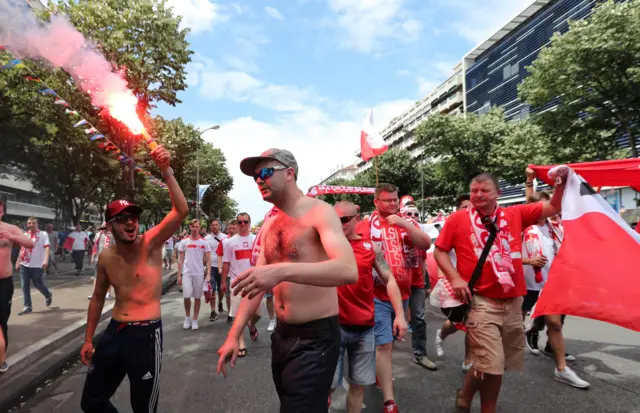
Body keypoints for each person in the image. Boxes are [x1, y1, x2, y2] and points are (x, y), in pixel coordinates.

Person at [217, 148, 357, 413]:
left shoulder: (319, 212)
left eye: (266, 172)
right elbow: (256, 285)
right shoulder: (271, 224)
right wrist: (233, 334)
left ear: (289, 173)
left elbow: (347, 269)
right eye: (255, 176)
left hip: (316, 339)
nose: (259, 180)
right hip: (283, 336)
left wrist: (281, 271)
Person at [434, 172, 567, 413]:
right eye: (474, 190)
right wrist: (454, 278)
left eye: (484, 190)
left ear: (498, 193)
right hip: (480, 302)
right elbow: (440, 251)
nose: (478, 195)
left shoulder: (515, 214)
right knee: (491, 364)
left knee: (497, 364)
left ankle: (476, 401)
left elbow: (554, 206)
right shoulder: (457, 219)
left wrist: (560, 183)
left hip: (513, 302)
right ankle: (473, 402)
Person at [79, 146, 188, 413]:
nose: (131, 223)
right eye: (123, 219)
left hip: (145, 335)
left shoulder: (149, 244)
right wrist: (89, 338)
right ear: (109, 225)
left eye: (134, 218)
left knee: (143, 407)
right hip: (114, 333)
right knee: (91, 401)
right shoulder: (106, 257)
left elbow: (181, 210)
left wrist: (166, 171)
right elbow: (96, 299)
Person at [355, 183, 432, 412]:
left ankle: (379, 374)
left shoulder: (404, 223)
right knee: (384, 344)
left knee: (388, 342)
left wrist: (405, 224)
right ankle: (390, 401)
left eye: (395, 199)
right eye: (387, 200)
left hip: (403, 294)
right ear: (376, 202)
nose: (393, 204)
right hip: (376, 295)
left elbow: (426, 244)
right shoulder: (365, 226)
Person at [331, 201, 407, 413]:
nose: (340, 224)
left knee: (358, 386)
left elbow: (389, 279)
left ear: (356, 218)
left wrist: (399, 315)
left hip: (364, 328)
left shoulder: (370, 248)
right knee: (325, 388)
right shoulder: (326, 246)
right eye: (335, 220)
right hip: (333, 327)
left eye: (345, 219)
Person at [522, 177, 589, 389]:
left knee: (555, 324)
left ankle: (561, 369)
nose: (543, 210)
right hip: (528, 284)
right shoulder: (523, 226)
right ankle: (525, 335)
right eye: (538, 206)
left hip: (551, 284)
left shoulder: (554, 228)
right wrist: (529, 261)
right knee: (517, 321)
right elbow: (507, 254)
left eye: (546, 206)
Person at [432, 194, 474, 371]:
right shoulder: (451, 228)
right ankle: (441, 334)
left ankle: (468, 360)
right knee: (456, 322)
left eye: (471, 207)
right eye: (464, 207)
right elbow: (439, 254)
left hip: (475, 283)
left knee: (472, 322)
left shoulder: (481, 229)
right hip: (454, 283)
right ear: (458, 210)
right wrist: (446, 281)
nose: (468, 210)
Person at [399, 203, 438, 372]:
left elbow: (423, 261)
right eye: (409, 213)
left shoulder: (420, 237)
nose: (413, 217)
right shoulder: (396, 234)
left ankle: (419, 354)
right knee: (393, 321)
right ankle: (381, 355)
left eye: (415, 214)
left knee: (419, 319)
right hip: (399, 284)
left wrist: (423, 283)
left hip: (415, 284)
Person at [0, 201, 36, 372]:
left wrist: (12, 237)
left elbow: (30, 243)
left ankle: (1, 357)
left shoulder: (10, 228)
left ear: (2, 211)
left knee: (2, 320)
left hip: (3, 282)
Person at [221, 212, 262, 357]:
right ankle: (241, 343)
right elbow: (226, 263)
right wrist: (223, 282)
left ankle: (251, 324)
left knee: (258, 313)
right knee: (239, 315)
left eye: (245, 221)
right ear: (237, 224)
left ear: (250, 223)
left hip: (254, 281)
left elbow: (262, 260)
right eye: (240, 222)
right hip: (237, 282)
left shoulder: (257, 240)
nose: (243, 224)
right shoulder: (229, 242)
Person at [177, 219, 211, 331]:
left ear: (200, 228)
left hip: (199, 273)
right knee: (186, 296)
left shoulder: (204, 242)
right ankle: (187, 317)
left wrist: (208, 274)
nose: (195, 229)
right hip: (187, 272)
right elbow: (180, 258)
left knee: (197, 297)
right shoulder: (184, 241)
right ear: (190, 227)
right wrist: (179, 274)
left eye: (197, 227)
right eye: (193, 227)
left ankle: (195, 319)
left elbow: (208, 259)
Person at [16, 217, 53, 316]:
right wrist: (18, 261)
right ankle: (27, 306)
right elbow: (22, 250)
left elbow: (47, 248)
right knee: (25, 285)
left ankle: (48, 294)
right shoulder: (25, 235)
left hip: (37, 265)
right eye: (29, 223)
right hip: (25, 264)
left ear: (37, 224)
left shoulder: (43, 234)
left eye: (33, 223)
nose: (31, 224)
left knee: (38, 284)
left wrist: (45, 260)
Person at [204, 219, 227, 320]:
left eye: (216, 225)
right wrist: (204, 264)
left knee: (222, 289)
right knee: (212, 289)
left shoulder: (225, 238)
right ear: (210, 227)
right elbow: (204, 252)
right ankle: (213, 311)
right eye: (212, 225)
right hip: (211, 267)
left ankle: (220, 302)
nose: (214, 226)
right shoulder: (206, 239)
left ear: (219, 226)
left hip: (222, 267)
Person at [217, 219, 238, 322]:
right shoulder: (224, 241)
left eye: (234, 228)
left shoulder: (241, 240)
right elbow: (220, 255)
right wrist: (220, 267)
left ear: (237, 228)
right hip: (228, 272)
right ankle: (230, 313)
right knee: (229, 295)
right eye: (230, 228)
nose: (232, 230)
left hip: (240, 272)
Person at [88, 223, 115, 300]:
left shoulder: (112, 236)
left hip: (109, 260)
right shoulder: (98, 235)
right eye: (103, 226)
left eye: (105, 226)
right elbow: (95, 247)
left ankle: (108, 293)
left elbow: (115, 248)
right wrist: (92, 257)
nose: (104, 227)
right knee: (96, 277)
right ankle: (94, 293)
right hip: (98, 259)